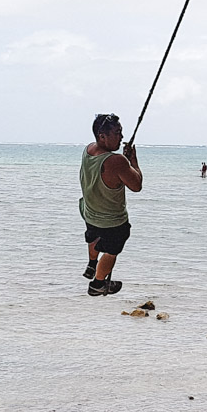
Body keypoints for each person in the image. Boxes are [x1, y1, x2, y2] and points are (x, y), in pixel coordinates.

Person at [79, 113, 142, 296]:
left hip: (90, 212)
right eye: (117, 132)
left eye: (121, 132)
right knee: (111, 250)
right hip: (112, 222)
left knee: (94, 235)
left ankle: (92, 265)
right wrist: (133, 162)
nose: (121, 137)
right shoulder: (117, 161)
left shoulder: (89, 150)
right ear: (102, 136)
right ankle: (98, 284)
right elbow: (136, 185)